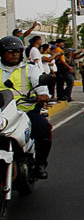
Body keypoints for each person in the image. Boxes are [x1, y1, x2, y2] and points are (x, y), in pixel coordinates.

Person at [0, 36, 52, 179]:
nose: (15, 54)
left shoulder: (30, 68)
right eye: (10, 51)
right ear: (2, 53)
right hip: (2, 113)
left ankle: (40, 164)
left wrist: (43, 95)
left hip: (25, 111)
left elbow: (40, 84)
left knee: (43, 128)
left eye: (17, 51)